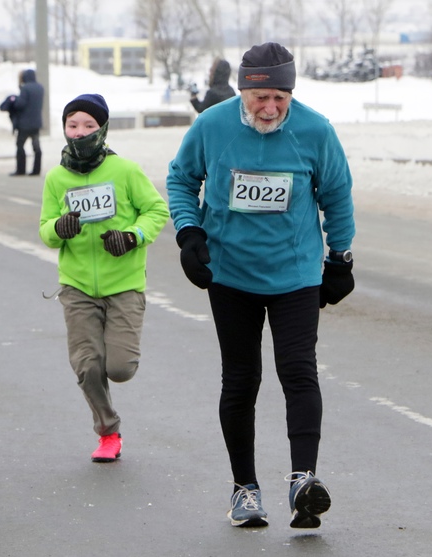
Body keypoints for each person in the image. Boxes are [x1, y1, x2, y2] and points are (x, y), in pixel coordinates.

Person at [166, 43, 355, 529]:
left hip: (295, 275)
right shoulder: (212, 126)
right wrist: (189, 234)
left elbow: (336, 195)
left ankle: (303, 481)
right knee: (242, 378)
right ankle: (244, 489)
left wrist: (340, 257)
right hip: (230, 274)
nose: (270, 108)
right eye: (260, 98)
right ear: (244, 91)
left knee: (298, 371)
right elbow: (181, 179)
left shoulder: (315, 130)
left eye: (280, 97)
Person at [39, 93, 169, 463]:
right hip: (76, 285)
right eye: (72, 125)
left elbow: (156, 210)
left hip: (124, 284)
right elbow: (46, 231)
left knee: (119, 368)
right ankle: (108, 431)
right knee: (87, 365)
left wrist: (132, 237)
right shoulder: (57, 178)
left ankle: (116, 377)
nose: (79, 133)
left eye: (88, 126)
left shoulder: (125, 171)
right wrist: (59, 228)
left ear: (103, 129)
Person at [0, 68, 43, 176]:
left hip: (25, 123)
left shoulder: (25, 88)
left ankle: (21, 170)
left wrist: (15, 100)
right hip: (36, 122)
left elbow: (20, 104)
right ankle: (36, 170)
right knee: (36, 147)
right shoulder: (40, 88)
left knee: (20, 145)